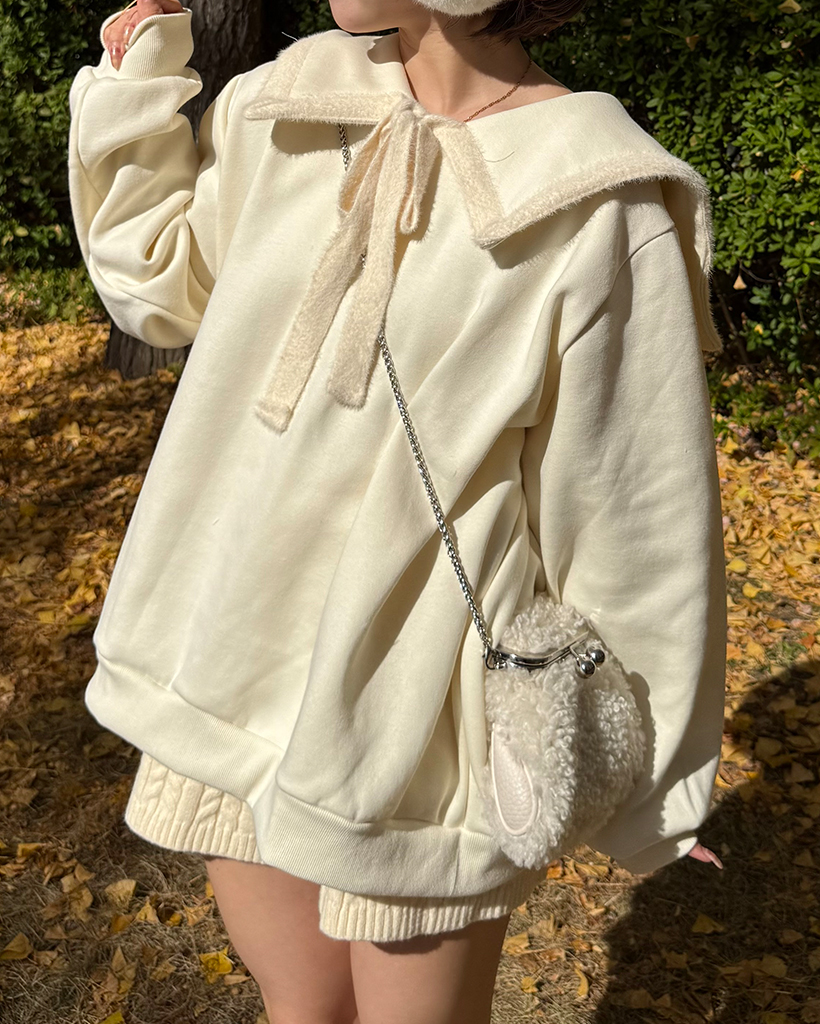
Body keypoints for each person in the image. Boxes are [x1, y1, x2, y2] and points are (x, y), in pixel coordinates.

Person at [69, 0, 727, 1021]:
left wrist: (656, 789)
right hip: (238, 656)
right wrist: (138, 86)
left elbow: (634, 520)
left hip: (418, 717)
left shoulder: (600, 203)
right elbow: (158, 287)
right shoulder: (286, 105)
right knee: (301, 1007)